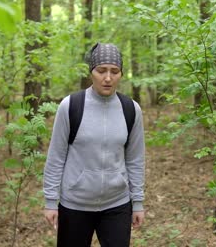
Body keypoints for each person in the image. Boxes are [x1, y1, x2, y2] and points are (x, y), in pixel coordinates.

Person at [43, 42, 145, 247]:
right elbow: (56, 156)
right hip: (75, 204)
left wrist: (138, 203)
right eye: (101, 71)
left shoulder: (131, 110)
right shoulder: (71, 106)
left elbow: (135, 160)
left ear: (121, 74)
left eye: (114, 71)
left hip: (117, 204)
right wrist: (50, 202)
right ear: (91, 72)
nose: (108, 78)